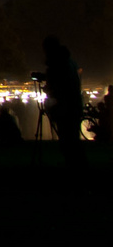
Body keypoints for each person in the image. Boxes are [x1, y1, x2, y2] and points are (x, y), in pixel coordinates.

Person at [42, 36, 85, 167]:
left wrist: (49, 88)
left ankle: (74, 166)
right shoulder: (70, 62)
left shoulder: (58, 64)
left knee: (67, 140)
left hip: (65, 107)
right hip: (73, 105)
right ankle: (77, 165)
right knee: (72, 139)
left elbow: (59, 86)